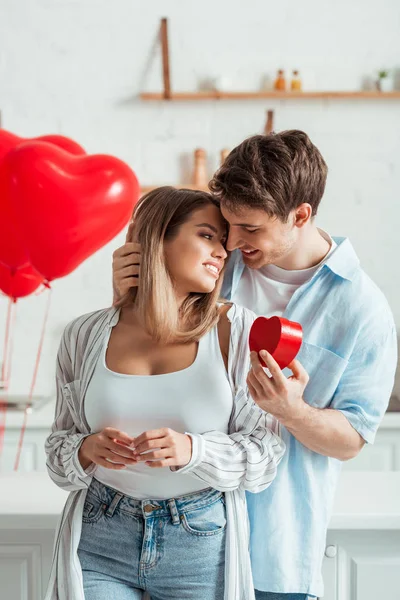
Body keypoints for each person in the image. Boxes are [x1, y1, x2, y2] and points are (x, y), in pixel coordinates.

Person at [112, 130, 397, 600]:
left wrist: (292, 411)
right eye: (227, 225)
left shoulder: (363, 309)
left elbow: (351, 441)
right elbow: (147, 358)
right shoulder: (215, 265)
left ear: (300, 215)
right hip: (173, 532)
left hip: (273, 550)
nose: (232, 242)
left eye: (250, 228)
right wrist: (128, 297)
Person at [44, 186, 288, 600]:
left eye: (223, 242)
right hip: (101, 536)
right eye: (207, 235)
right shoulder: (83, 336)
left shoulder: (237, 330)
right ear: (159, 237)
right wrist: (85, 449)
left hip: (199, 543)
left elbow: (265, 456)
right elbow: (56, 451)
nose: (222, 252)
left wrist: (195, 451)